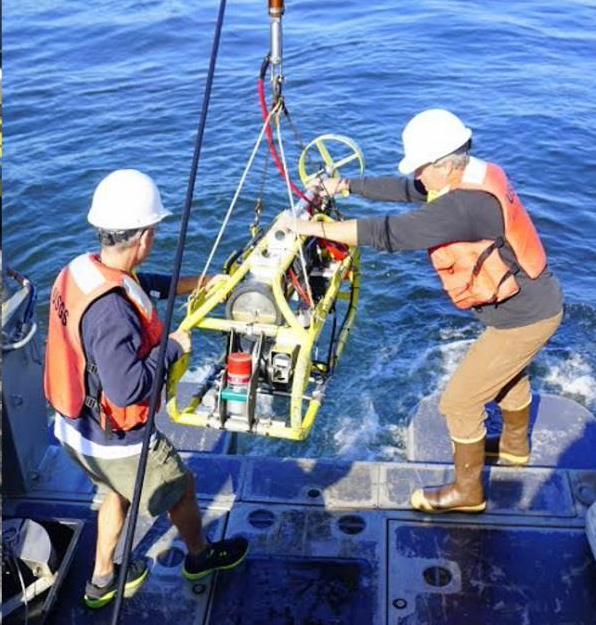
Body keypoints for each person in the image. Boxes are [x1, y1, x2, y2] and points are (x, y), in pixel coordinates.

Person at [280, 108, 563, 514]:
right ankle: (515, 449)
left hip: (524, 318)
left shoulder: (461, 208)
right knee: (505, 375)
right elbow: (409, 189)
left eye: (421, 167)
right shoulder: (475, 173)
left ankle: (468, 493)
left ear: (445, 164)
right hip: (532, 301)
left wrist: (310, 229)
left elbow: (389, 233)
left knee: (460, 403)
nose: (417, 175)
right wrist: (344, 185)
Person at [44, 169, 249, 608]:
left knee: (115, 490)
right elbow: (128, 388)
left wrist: (203, 282)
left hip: (73, 428)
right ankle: (200, 556)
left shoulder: (83, 269)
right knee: (183, 486)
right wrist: (172, 347)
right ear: (143, 237)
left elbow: (143, 287)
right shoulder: (113, 314)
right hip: (116, 440)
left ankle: (101, 579)